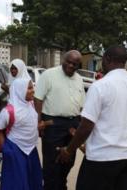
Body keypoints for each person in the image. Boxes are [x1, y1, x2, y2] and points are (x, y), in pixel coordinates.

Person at [56, 45, 127, 190]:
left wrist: (69, 150)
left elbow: (86, 126)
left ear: (107, 59)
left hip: (102, 159)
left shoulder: (100, 86)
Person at [34, 50, 85, 190]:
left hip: (73, 124)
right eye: (68, 62)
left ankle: (61, 185)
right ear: (63, 60)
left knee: (69, 160)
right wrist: (38, 122)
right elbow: (38, 99)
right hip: (53, 124)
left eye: (75, 64)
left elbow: (82, 105)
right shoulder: (49, 75)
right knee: (52, 163)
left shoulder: (79, 79)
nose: (71, 66)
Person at [0, 78, 43, 190]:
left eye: (33, 87)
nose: (33, 90)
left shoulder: (31, 105)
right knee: (16, 184)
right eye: (30, 88)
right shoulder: (8, 111)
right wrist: (6, 149)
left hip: (31, 150)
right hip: (15, 150)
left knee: (33, 181)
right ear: (20, 90)